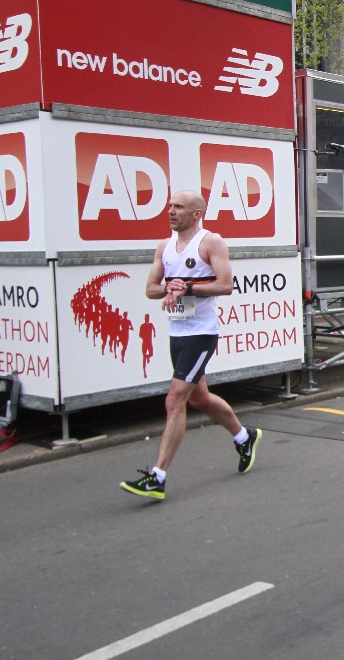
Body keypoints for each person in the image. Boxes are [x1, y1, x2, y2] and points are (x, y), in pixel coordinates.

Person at [121, 191, 261, 501]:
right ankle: (244, 436)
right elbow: (150, 290)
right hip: (178, 333)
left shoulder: (211, 242)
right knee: (200, 398)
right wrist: (168, 287)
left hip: (202, 333)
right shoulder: (164, 247)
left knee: (175, 400)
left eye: (178, 207)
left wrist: (187, 287)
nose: (170, 211)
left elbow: (226, 285)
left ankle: (157, 477)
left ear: (197, 213)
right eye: (170, 206)